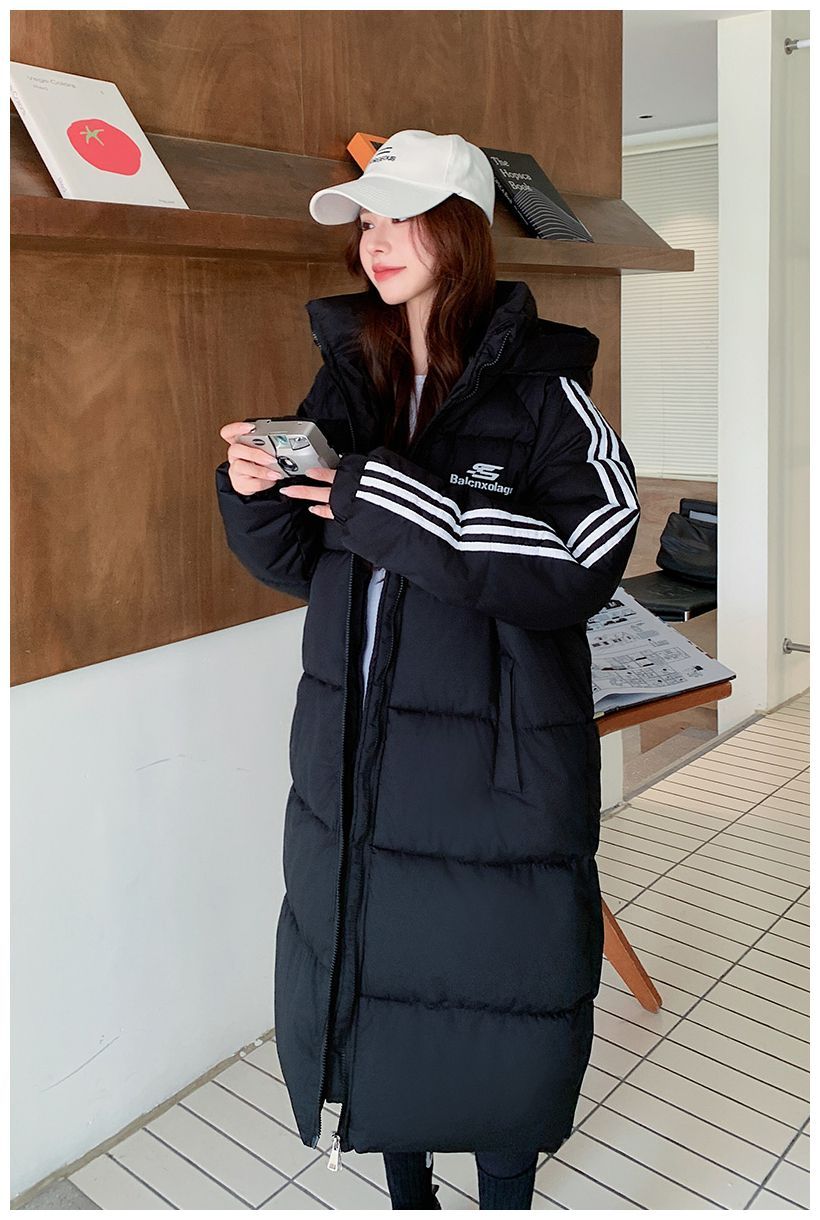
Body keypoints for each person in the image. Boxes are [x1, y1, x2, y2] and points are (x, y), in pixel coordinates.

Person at [215, 129, 641, 1210]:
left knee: (498, 993)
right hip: (353, 755)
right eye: (366, 220)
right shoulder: (349, 379)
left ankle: (503, 1194)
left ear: (461, 229)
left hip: (492, 771)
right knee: (372, 988)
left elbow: (585, 557)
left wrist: (398, 502)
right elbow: (308, 563)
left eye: (401, 217)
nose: (376, 240)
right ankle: (407, 1193)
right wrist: (254, 493)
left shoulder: (549, 390)